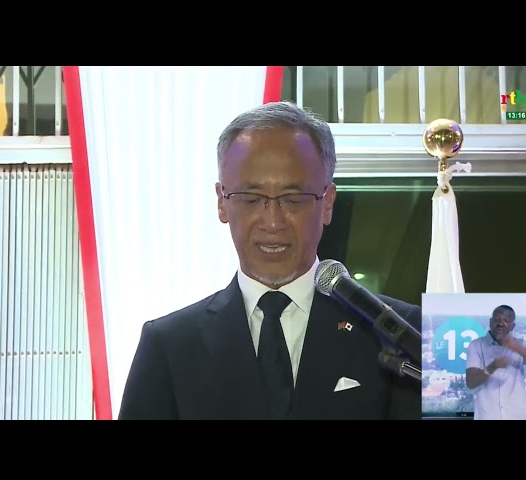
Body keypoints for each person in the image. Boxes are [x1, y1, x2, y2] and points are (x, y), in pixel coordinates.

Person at [118, 100, 422, 420]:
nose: (273, 221)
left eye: (294, 199)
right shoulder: (169, 346)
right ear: (222, 202)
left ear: (328, 202)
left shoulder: (397, 333)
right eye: (251, 199)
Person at [465, 304, 526, 420]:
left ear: (513, 326)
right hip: (487, 416)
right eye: (497, 320)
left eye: (506, 321)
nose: (500, 323)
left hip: (517, 415)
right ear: (490, 322)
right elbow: (471, 382)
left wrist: (516, 347)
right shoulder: (476, 345)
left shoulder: (520, 345)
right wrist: (492, 367)